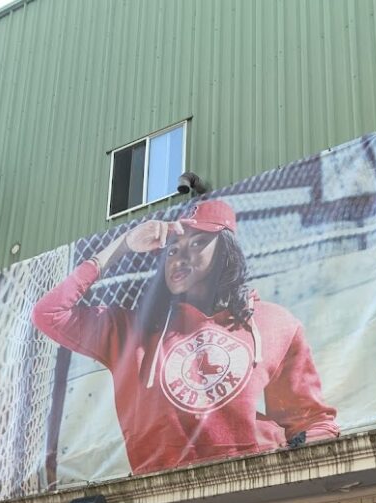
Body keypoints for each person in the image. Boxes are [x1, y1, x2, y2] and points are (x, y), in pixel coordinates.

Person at [32, 199, 339, 477]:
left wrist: (290, 472)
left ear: (226, 249)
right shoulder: (131, 332)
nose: (179, 257)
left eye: (197, 242)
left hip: (256, 487)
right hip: (165, 500)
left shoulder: (274, 322)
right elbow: (49, 313)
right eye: (172, 249)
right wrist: (123, 245)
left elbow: (311, 420)